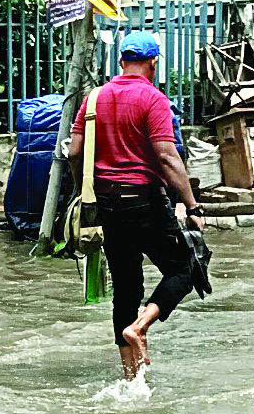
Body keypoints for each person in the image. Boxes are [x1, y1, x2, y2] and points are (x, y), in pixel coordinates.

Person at [67, 31, 204, 379]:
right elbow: (167, 157)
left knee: (126, 289)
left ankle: (131, 377)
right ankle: (141, 325)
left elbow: (75, 152)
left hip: (107, 205)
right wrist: (192, 205)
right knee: (184, 268)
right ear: (154, 64)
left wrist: (84, 189)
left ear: (121, 62)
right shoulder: (153, 100)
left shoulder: (94, 98)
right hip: (144, 201)